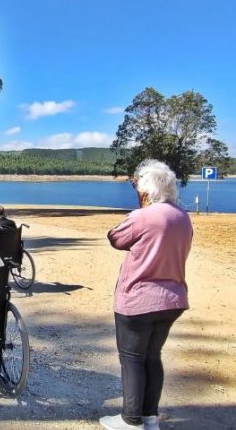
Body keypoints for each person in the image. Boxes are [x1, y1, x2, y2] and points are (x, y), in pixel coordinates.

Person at [99, 160, 193, 430]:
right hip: (173, 298)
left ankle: (130, 419)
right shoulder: (183, 217)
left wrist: (141, 211)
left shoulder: (143, 216)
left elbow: (115, 238)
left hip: (138, 300)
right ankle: (150, 418)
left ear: (146, 191)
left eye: (138, 187)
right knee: (153, 356)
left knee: (132, 359)